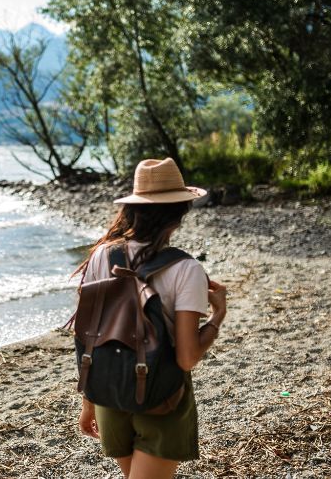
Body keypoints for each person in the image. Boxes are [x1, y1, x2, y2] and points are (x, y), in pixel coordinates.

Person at [74, 158, 228, 479]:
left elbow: (88, 334)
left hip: (110, 394)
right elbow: (186, 358)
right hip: (162, 399)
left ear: (135, 208)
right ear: (180, 213)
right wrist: (217, 316)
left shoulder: (103, 255)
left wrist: (89, 400)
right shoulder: (187, 270)